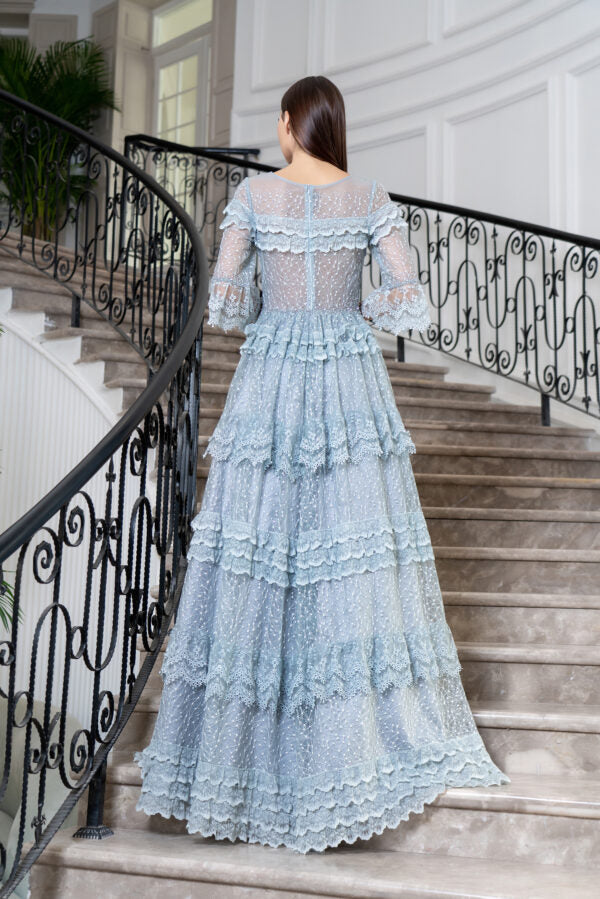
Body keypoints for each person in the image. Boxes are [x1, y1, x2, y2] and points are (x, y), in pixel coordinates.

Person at [134, 74, 510, 854]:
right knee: (350, 545)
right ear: (332, 124)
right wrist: (354, 311)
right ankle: (351, 746)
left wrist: (270, 307)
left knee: (260, 540)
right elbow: (409, 298)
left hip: (272, 374)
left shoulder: (254, 195)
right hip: (347, 373)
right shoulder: (368, 197)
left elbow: (226, 304)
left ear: (287, 124)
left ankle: (239, 759)